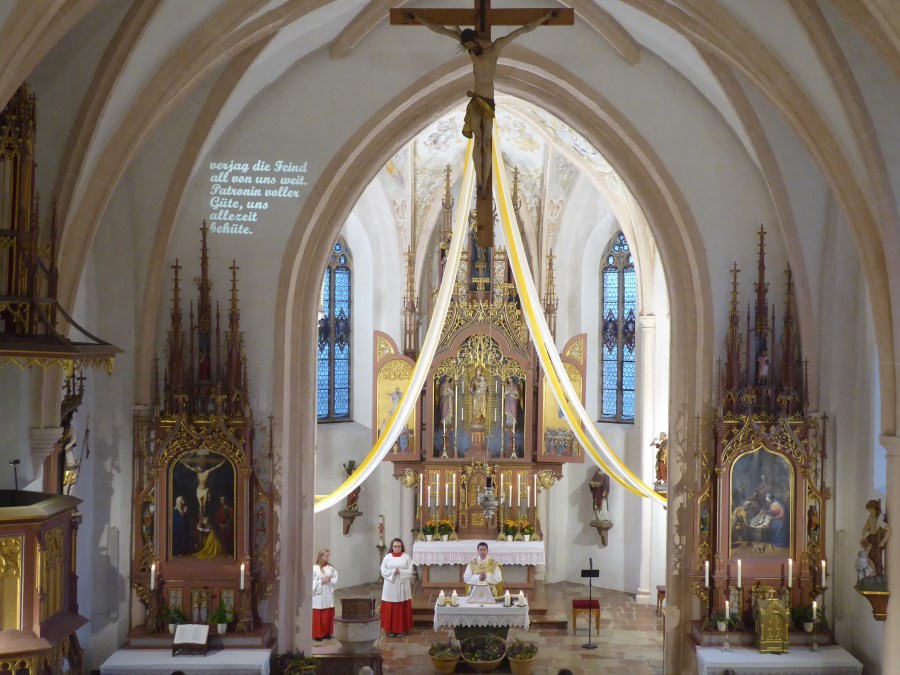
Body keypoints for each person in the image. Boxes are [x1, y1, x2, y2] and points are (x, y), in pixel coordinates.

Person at [408, 11, 556, 242]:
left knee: (487, 142)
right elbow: (444, 30)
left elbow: (523, 29)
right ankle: (480, 183)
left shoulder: (495, 48)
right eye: (466, 45)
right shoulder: (471, 50)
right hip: (476, 101)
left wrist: (545, 17)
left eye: (469, 44)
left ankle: (485, 180)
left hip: (487, 102)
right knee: (478, 142)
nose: (468, 48)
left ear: (476, 39)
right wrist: (419, 19)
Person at [380, 538, 413, 637]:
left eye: (399, 546)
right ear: (392, 547)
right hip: (390, 585)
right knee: (390, 606)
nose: (397, 548)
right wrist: (393, 571)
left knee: (401, 605)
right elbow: (383, 570)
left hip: (402, 584)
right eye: (395, 546)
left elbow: (410, 571)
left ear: (402, 547)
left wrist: (401, 572)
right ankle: (390, 629)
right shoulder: (387, 557)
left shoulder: (406, 557)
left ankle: (401, 629)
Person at [312, 548, 338, 641]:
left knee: (328, 611)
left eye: (329, 555)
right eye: (326, 555)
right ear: (321, 556)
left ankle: (327, 633)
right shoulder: (315, 568)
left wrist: (330, 580)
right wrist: (321, 581)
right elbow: (311, 582)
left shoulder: (330, 567)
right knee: (319, 612)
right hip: (319, 594)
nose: (328, 557)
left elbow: (335, 577)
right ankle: (318, 634)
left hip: (328, 591)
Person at [860, 498, 891, 577]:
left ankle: (877, 573)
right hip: (870, 539)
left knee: (876, 557)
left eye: (872, 510)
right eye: (869, 510)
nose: (870, 512)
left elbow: (889, 530)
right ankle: (874, 571)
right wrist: (863, 537)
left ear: (875, 509)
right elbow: (865, 528)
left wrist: (883, 541)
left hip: (876, 540)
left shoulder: (879, 519)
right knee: (867, 556)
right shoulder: (870, 517)